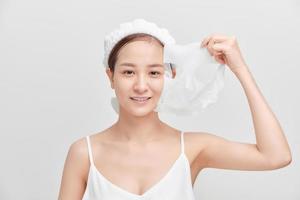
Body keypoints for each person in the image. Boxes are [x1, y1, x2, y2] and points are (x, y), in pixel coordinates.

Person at [58, 19, 292, 200]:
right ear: (111, 77)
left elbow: (276, 156)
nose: (141, 86)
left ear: (170, 76)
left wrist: (239, 67)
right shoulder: (84, 153)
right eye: (128, 72)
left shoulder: (191, 148)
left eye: (154, 73)